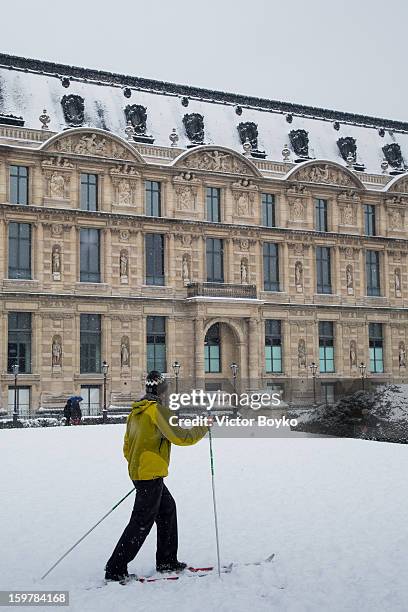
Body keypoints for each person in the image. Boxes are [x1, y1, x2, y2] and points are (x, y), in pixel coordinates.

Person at [104, 371, 209, 582]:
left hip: (141, 472)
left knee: (167, 510)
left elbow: (127, 445)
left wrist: (137, 465)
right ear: (162, 390)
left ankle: (167, 560)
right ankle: (115, 568)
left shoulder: (136, 412)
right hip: (149, 474)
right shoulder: (157, 411)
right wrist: (203, 427)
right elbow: (181, 437)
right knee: (141, 522)